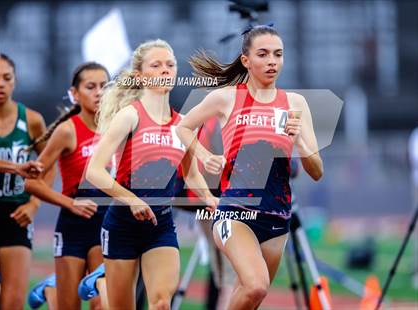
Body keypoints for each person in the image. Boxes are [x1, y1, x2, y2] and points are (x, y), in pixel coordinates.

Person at [176, 24, 323, 309]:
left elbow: (317, 171)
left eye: (278, 55)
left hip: (277, 217)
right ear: (246, 60)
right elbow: (183, 127)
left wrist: (301, 144)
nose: (272, 62)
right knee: (256, 286)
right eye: (264, 54)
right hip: (235, 212)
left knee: (250, 295)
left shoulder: (295, 103)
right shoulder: (226, 98)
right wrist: (203, 154)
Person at [86, 39, 217, 310]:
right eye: (156, 65)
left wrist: (209, 199)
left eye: (170, 65)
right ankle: (100, 282)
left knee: (160, 304)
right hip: (121, 225)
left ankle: (103, 282)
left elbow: (191, 175)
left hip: (161, 227)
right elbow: (94, 171)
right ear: (139, 76)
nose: (165, 70)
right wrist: (131, 199)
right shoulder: (129, 117)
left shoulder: (184, 124)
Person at [26, 62, 110, 310]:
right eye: (90, 87)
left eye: (104, 86)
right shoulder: (67, 131)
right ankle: (51, 291)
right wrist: (71, 203)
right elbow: (31, 182)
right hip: (73, 225)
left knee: (102, 304)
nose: (98, 93)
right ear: (75, 94)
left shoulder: (117, 126)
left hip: (105, 222)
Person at [0, 53, 50, 310]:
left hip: (16, 213)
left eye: (7, 78)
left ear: (15, 82)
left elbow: (48, 164)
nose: (0, 84)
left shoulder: (31, 120)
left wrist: (34, 204)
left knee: (12, 303)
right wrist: (16, 167)